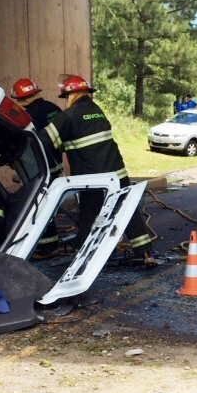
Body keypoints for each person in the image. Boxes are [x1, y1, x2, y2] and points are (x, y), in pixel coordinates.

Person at [41, 74, 156, 267]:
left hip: (93, 179)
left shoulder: (68, 116)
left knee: (89, 214)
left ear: (69, 94)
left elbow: (44, 141)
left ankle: (83, 255)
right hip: (116, 173)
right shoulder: (97, 111)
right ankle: (145, 253)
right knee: (127, 211)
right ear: (86, 93)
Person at [11, 78, 63, 255]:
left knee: (40, 204)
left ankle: (47, 246)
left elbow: (27, 142)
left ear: (22, 99)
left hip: (40, 168)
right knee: (49, 201)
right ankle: (50, 244)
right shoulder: (53, 108)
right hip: (56, 163)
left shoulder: (29, 115)